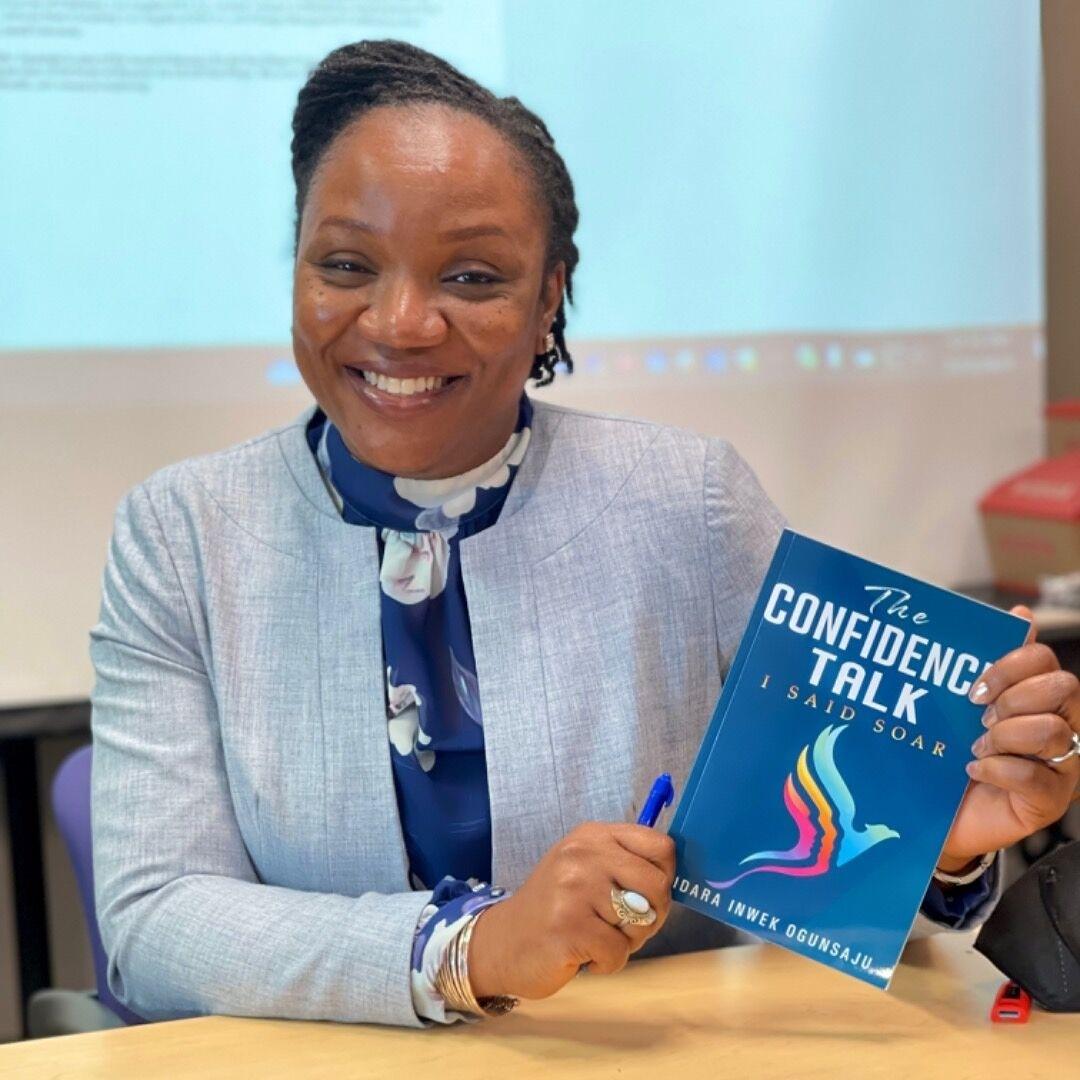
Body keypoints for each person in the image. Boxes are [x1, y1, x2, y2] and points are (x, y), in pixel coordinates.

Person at [90, 40, 1080, 1028]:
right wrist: (470, 950)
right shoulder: (181, 534)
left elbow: (812, 877)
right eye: (346, 264)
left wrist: (933, 845)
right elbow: (155, 924)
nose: (399, 323)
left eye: (472, 277)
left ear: (548, 295)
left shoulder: (687, 501)